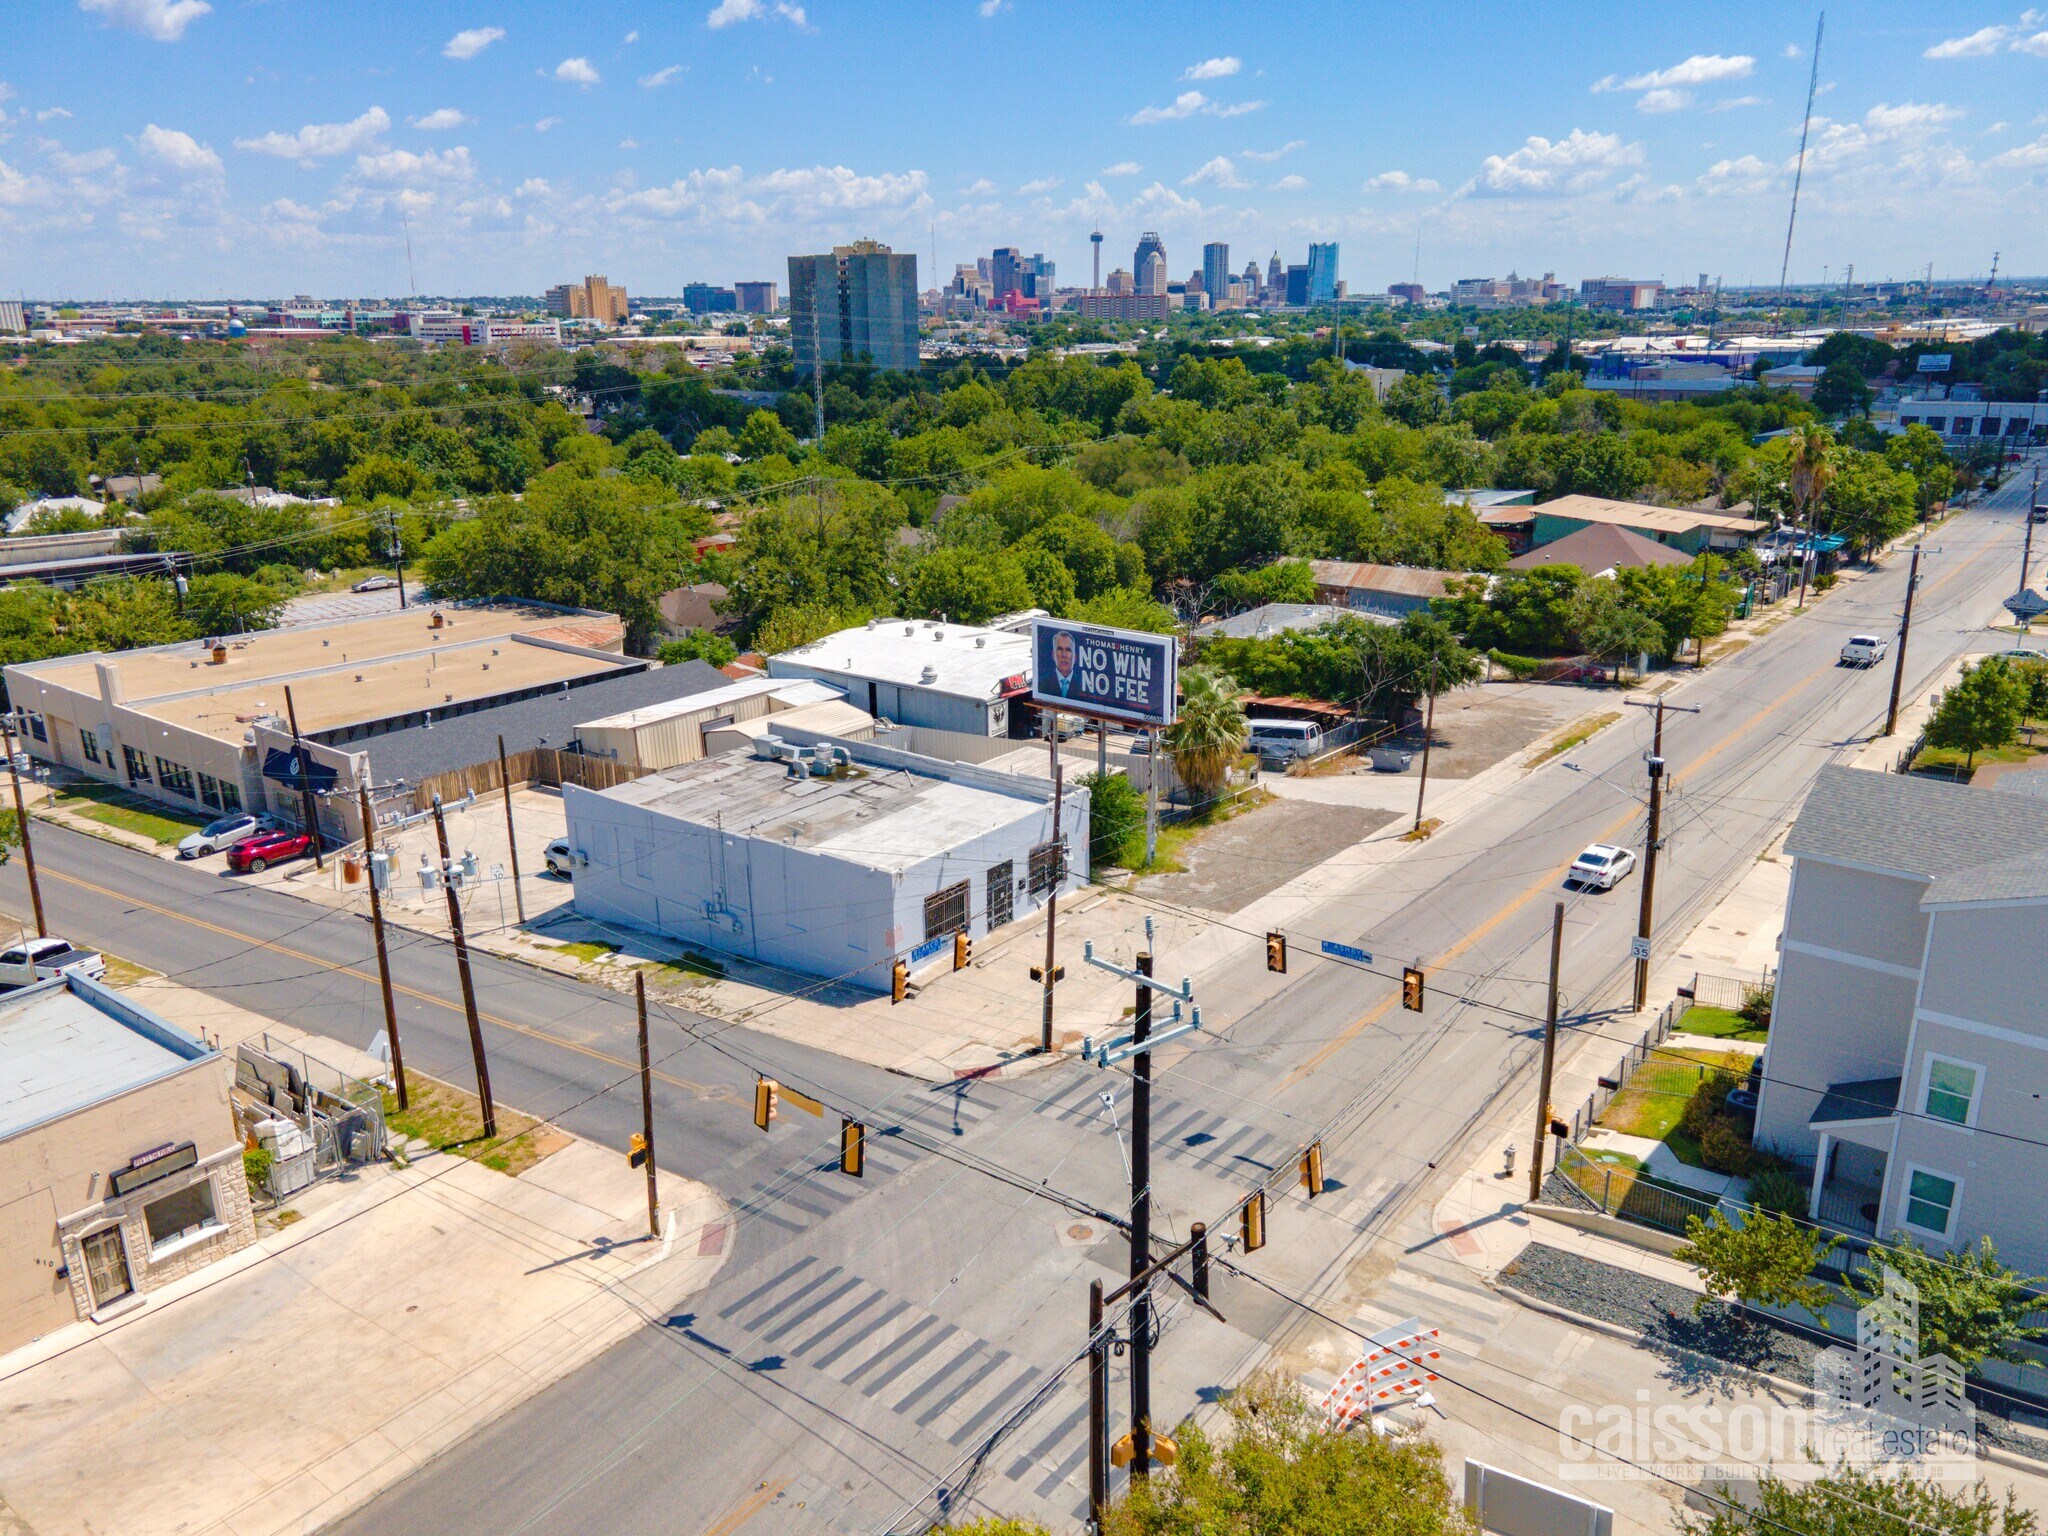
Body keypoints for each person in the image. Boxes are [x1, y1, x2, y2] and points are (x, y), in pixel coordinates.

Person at [1046, 629, 1081, 697]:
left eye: (1068, 650)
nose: (1064, 655)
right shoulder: (1042, 685)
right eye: (1060, 649)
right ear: (1053, 655)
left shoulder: (1085, 688)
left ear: (1075, 657)